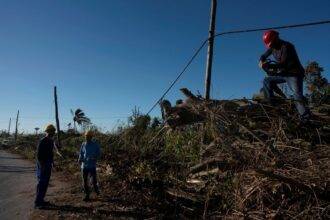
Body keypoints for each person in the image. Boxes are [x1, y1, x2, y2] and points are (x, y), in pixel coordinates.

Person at [259, 30, 310, 122]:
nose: (271, 46)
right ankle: (272, 105)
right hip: (284, 74)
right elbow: (264, 55)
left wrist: (268, 65)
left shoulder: (287, 47)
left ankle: (305, 118)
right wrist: (262, 60)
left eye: (272, 44)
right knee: (267, 81)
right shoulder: (272, 47)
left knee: (297, 96)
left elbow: (283, 64)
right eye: (270, 45)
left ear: (276, 39)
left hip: (294, 74)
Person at [34, 124, 57, 209]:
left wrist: (53, 163)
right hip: (42, 165)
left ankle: (41, 200)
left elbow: (51, 154)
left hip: (48, 164)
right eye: (51, 131)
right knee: (41, 183)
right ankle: (38, 202)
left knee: (46, 183)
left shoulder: (51, 141)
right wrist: (42, 165)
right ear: (47, 132)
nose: (53, 133)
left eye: (53, 131)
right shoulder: (43, 141)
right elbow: (39, 155)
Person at [78, 130, 101, 201]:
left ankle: (97, 190)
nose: (87, 137)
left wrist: (95, 157)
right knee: (84, 181)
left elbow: (99, 153)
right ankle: (87, 195)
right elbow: (81, 153)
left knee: (94, 181)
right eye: (86, 136)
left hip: (92, 166)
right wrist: (79, 159)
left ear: (91, 137)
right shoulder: (83, 144)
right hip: (84, 166)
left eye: (88, 136)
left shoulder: (95, 145)